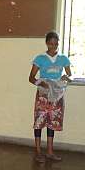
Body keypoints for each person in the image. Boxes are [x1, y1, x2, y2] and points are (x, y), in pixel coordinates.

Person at [28, 31, 72, 163]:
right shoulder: (40, 58)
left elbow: (69, 75)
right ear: (46, 43)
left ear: (58, 43)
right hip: (43, 93)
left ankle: (50, 152)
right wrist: (41, 83)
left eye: (56, 43)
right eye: (51, 43)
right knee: (39, 121)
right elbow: (31, 78)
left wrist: (65, 77)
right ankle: (38, 152)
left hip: (57, 94)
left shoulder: (63, 58)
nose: (53, 46)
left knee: (52, 123)